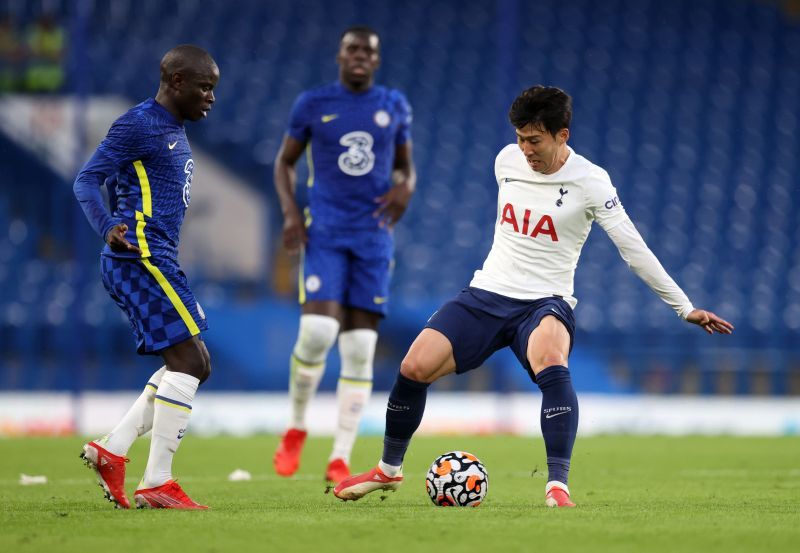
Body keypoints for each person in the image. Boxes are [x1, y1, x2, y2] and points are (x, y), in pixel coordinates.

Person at [333, 85, 734, 507]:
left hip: (545, 301)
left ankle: (557, 485)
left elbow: (634, 250)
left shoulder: (591, 182)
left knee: (551, 357)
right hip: (487, 292)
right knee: (413, 365)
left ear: (563, 135)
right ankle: (388, 471)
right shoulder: (506, 161)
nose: (525, 148)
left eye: (535, 140)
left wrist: (684, 307)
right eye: (520, 138)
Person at [72, 44, 219, 509]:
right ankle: (156, 481)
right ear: (176, 81)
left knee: (196, 364)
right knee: (191, 364)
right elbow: (86, 179)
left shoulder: (172, 127)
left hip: (158, 257)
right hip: (139, 255)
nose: (210, 97)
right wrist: (108, 226)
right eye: (204, 86)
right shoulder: (139, 123)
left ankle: (112, 449)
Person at [273, 25, 416, 484]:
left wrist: (405, 191)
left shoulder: (393, 104)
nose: (359, 56)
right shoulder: (313, 104)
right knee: (317, 331)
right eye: (352, 49)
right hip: (327, 234)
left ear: (376, 60)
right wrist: (292, 214)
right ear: (340, 56)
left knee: (359, 348)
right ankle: (296, 426)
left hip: (373, 240)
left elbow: (406, 170)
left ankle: (340, 453)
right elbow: (284, 162)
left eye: (368, 51)